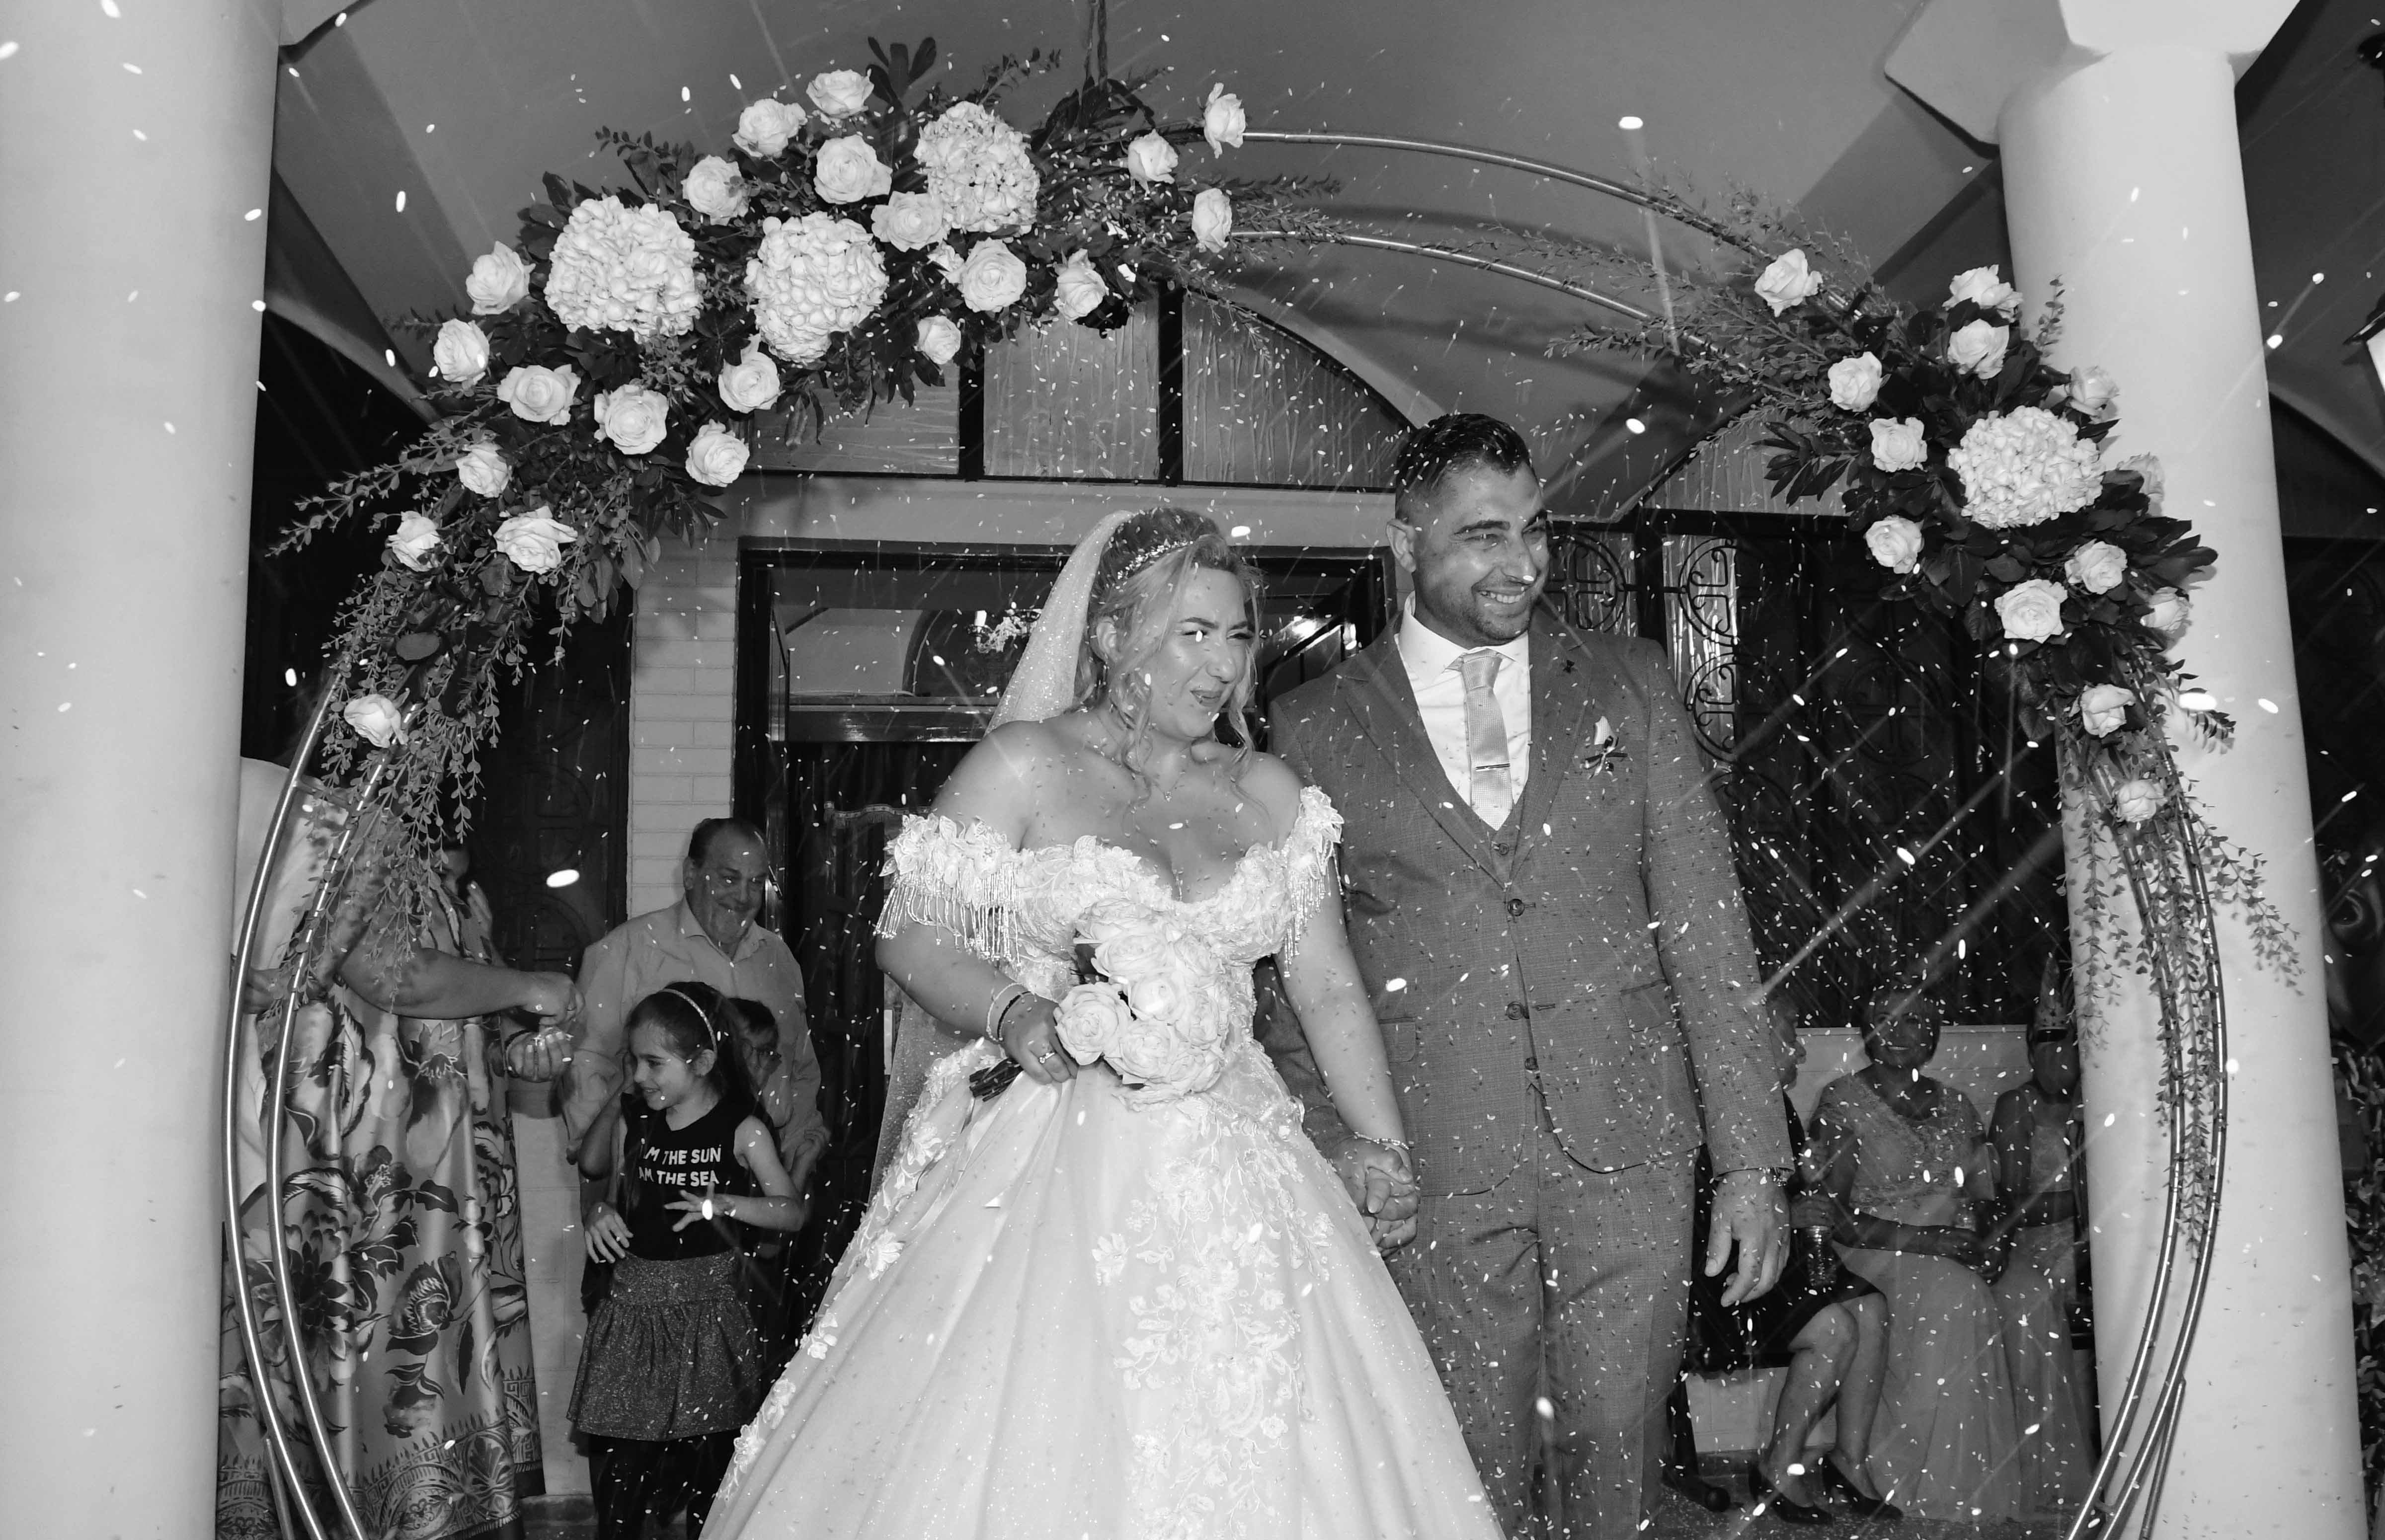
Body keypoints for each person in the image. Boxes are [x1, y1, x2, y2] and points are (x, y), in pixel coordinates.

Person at [700, 508, 1502, 1540]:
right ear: (1116, 634)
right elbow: (910, 936)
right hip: (1054, 1145)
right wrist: (1014, 1011)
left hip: (1245, 1155)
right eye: (1192, 632)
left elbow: (1328, 987)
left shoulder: (1268, 792)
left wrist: (1384, 1146)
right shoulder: (1026, 766)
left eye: (1237, 633)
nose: (1223, 664)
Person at [1261, 413, 1791, 1539]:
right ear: (1404, 543)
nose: (1523, 564)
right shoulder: (1312, 725)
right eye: (1483, 535)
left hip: (1630, 1148)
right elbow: (1298, 978)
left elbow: (1707, 930)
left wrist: (1752, 1160)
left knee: (1618, 1460)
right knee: (1461, 1471)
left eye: (1535, 529)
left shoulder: (1630, 682)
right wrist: (1339, 1141)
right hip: (1430, 1160)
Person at [218, 757, 581, 1540]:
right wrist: (533, 986)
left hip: (435, 1168)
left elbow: (464, 1010)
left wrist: (520, 1045)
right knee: (363, 1346)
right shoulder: (331, 828)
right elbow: (395, 977)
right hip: (361, 1161)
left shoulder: (449, 881)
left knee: (419, 1352)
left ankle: (416, 1504)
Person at [572, 981, 807, 1540]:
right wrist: (599, 1212)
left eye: (654, 1063)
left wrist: (726, 1204)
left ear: (702, 1062)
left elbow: (792, 1213)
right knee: (622, 1472)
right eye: (634, 1061)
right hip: (633, 1313)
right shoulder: (636, 1119)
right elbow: (601, 1180)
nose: (638, 1076)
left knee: (712, 1474)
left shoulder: (742, 1128)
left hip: (708, 1316)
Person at [1810, 985, 2025, 1520]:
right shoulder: (1843, 1100)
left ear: (1934, 1033)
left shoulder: (1957, 1103)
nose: (1897, 1031)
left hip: (1952, 1243)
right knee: (1955, 1295)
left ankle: (2012, 1467)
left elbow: (1985, 1192)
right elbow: (1835, 1215)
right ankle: (1918, 1475)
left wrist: (1994, 1242)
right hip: (1874, 1247)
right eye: (1884, 1017)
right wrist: (1929, 1241)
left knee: (2030, 1294)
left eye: (1913, 1019)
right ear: (1866, 1030)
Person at [563, 819, 827, 1187]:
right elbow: (585, 1059)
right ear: (690, 874)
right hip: (653, 1178)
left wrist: (795, 1162)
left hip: (760, 1181)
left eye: (756, 882)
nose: (744, 897)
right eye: (729, 879)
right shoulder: (628, 950)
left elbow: (800, 1068)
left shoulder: (779, 960)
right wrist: (604, 1163)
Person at [1989, 964, 2097, 1518]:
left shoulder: (2098, 1103)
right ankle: (2049, 1468)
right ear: (2031, 1053)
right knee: (2048, 1296)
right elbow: (2011, 1205)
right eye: (2047, 1051)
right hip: (2039, 1244)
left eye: (2069, 1050)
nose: (2059, 1063)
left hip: (2097, 1242)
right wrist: (2089, 1205)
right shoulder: (2017, 1106)